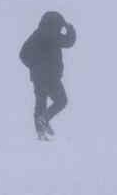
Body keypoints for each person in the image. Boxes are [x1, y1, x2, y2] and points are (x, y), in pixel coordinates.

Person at [19, 11, 76, 140]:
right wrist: (70, 29)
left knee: (40, 103)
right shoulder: (53, 35)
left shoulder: (35, 35)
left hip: (37, 76)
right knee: (61, 101)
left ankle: (41, 132)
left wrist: (33, 65)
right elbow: (69, 42)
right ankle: (44, 120)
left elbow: (22, 54)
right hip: (50, 75)